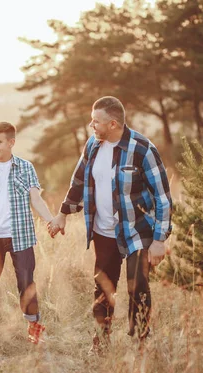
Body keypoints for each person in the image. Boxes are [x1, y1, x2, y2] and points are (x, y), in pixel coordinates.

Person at [48, 96, 172, 352]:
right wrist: (62, 214)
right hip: (103, 230)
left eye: (96, 121)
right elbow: (79, 181)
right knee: (103, 286)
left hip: (137, 230)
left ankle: (140, 342)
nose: (91, 125)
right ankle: (100, 341)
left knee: (138, 286)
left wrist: (159, 240)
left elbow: (163, 197)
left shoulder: (142, 149)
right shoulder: (93, 145)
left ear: (113, 123)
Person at [0, 121, 55, 346]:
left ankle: (34, 328)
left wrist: (51, 220)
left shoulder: (26, 168)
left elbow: (36, 199)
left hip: (21, 236)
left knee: (26, 283)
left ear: (11, 142)